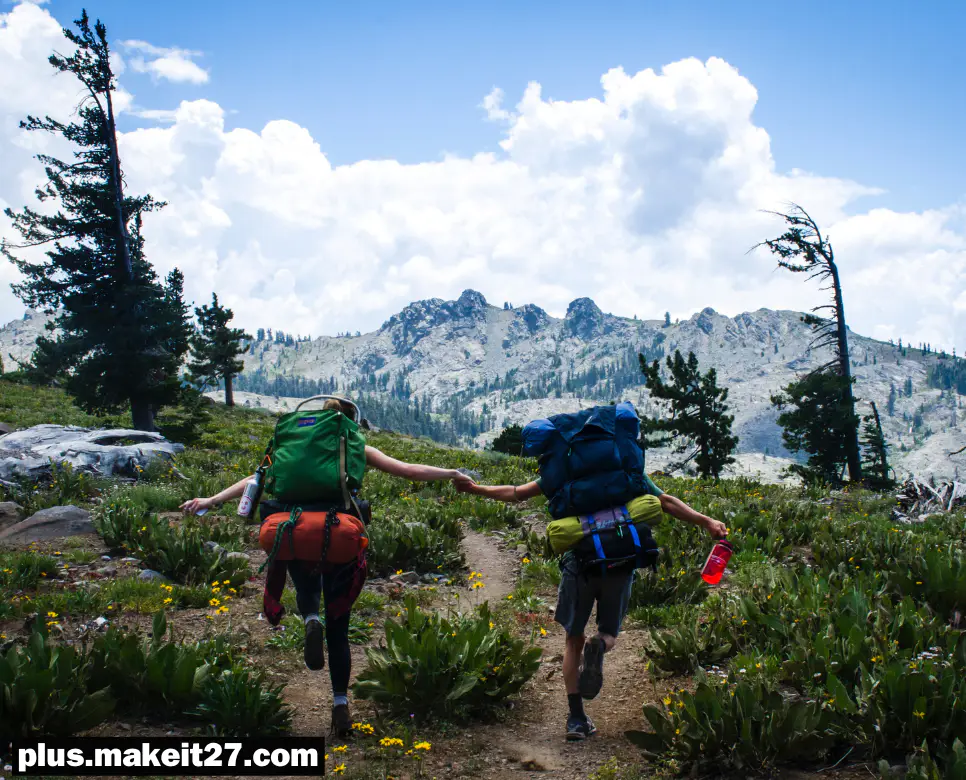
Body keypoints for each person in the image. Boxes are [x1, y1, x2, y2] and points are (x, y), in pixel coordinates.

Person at [181, 399, 474, 738]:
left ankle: (309, 619)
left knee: (306, 588)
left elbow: (255, 479)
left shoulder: (292, 446)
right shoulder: (355, 445)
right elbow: (406, 469)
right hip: (338, 533)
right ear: (350, 422)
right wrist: (452, 473)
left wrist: (211, 500)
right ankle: (339, 704)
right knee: (340, 625)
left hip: (291, 529)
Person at [458, 471, 727, 741]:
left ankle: (576, 718)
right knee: (609, 633)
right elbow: (666, 502)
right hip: (621, 562)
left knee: (572, 640)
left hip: (580, 564)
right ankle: (599, 643)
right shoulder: (625, 466)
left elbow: (516, 493)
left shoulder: (564, 466)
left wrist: (475, 488)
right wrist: (707, 521)